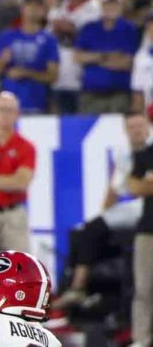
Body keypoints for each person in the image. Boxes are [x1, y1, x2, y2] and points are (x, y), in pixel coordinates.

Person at [58, 113, 152, 313]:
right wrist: (104, 214)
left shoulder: (149, 152)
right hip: (135, 205)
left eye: (140, 126)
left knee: (97, 226)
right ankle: (81, 287)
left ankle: (79, 286)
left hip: (146, 206)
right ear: (126, 130)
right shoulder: (123, 153)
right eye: (132, 127)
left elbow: (138, 188)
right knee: (88, 228)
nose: (137, 131)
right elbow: (116, 187)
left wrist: (138, 187)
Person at [0, 92, 35, 256]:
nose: (5, 114)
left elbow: (21, 182)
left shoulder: (25, 147)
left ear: (17, 114)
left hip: (12, 215)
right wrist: (7, 181)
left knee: (17, 267)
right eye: (1, 109)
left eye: (10, 110)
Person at [0, 0, 59, 113]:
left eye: (38, 7)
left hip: (37, 104)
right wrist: (1, 61)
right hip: (8, 104)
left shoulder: (49, 39)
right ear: (22, 9)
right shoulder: (7, 36)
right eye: (29, 6)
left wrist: (26, 73)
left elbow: (53, 76)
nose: (33, 10)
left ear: (43, 11)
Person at [125, 134, 153, 347]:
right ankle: (141, 341)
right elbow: (133, 186)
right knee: (144, 288)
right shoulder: (145, 154)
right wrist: (145, 185)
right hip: (148, 228)